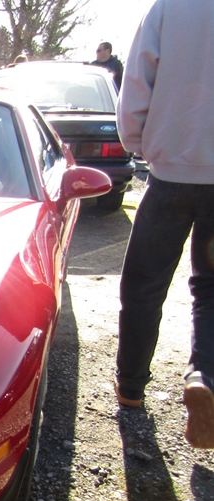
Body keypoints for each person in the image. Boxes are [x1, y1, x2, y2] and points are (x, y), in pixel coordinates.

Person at [115, 0, 214, 448]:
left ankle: (131, 388)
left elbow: (138, 79)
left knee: (144, 286)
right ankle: (204, 375)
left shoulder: (170, 7)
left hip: (170, 173)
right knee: (211, 290)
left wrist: (139, 144)